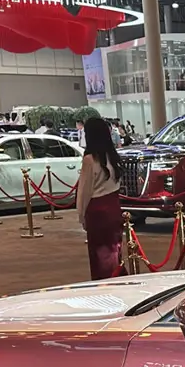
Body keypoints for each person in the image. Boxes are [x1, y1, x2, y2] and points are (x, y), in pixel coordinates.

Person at [75, 117, 125, 280]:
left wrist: (81, 214)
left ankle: (104, 283)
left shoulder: (90, 159)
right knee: (115, 250)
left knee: (100, 254)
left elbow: (84, 191)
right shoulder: (113, 156)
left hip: (97, 211)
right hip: (114, 207)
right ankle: (118, 278)